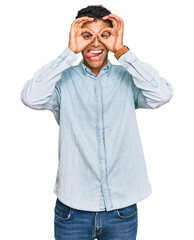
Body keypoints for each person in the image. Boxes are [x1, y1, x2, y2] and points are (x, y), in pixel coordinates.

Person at [20, 5, 174, 240]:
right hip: (72, 209)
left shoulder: (128, 78)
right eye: (86, 36)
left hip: (122, 209)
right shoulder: (62, 81)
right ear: (75, 38)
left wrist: (122, 51)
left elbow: (161, 94)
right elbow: (31, 98)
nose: (95, 44)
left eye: (104, 35)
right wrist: (68, 53)